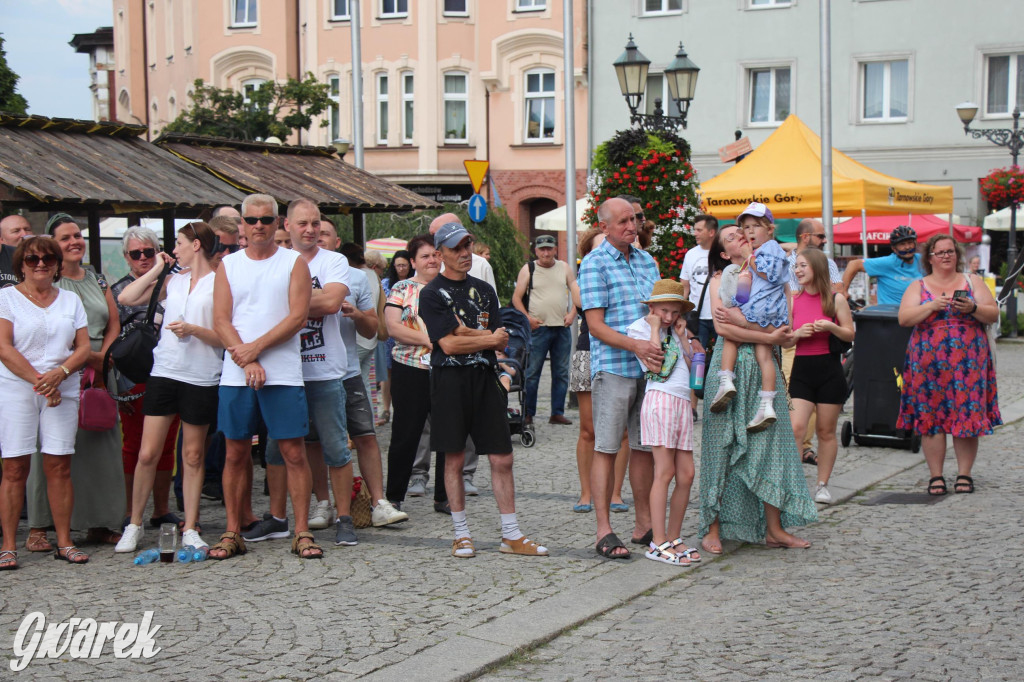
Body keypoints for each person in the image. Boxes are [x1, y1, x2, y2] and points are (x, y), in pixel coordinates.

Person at [419, 222, 548, 558]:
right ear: (441, 254)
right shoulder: (431, 293)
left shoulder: (484, 289)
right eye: (457, 248)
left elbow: (501, 336)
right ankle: (461, 533)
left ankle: (511, 533)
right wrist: (485, 339)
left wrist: (470, 334)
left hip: (486, 378)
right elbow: (447, 344)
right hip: (449, 381)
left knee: (503, 456)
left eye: (468, 245)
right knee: (455, 458)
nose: (465, 253)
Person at [211, 193, 317, 560]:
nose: (259, 226)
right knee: (235, 451)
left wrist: (254, 350)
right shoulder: (230, 266)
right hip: (237, 372)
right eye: (252, 220)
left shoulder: (293, 263)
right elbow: (221, 320)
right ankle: (232, 530)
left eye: (266, 220)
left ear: (278, 223)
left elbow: (297, 317)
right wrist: (246, 359)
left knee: (292, 451)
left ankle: (301, 531)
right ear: (242, 224)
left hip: (283, 373)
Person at [699, 224, 817, 554]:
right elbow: (723, 327)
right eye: (735, 236)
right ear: (725, 253)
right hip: (730, 368)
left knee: (773, 446)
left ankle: (774, 529)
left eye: (745, 232)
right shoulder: (720, 280)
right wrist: (768, 336)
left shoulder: (772, 277)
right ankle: (712, 526)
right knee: (719, 446)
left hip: (765, 370)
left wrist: (781, 335)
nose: (744, 237)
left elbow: (785, 325)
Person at [114, 222, 222, 552]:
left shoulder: (220, 284)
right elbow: (126, 297)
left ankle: (190, 526)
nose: (174, 249)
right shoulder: (172, 281)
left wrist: (193, 330)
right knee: (147, 452)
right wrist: (157, 269)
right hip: (165, 371)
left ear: (196, 245)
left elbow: (225, 337)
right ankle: (134, 524)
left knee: (192, 455)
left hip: (202, 375)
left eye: (179, 243)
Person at [27, 214, 125, 548]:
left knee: (100, 445)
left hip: (99, 369)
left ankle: (100, 521)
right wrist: (81, 359)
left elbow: (112, 322)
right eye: (65, 238)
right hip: (61, 369)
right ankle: (41, 526)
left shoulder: (96, 279)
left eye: (77, 236)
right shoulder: (47, 285)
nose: (74, 242)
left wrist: (105, 356)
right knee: (53, 450)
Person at [0, 237, 92, 568]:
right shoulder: (6, 299)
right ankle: (8, 545)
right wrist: (42, 383)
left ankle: (64, 541)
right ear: (20, 264)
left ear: (56, 264)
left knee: (59, 465)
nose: (40, 264)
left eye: (48, 258)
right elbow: (4, 348)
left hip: (62, 388)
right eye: (32, 259)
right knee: (14, 466)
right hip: (17, 388)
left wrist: (61, 373)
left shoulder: (70, 300)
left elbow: (83, 347)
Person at [579, 197, 661, 560]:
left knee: (643, 448)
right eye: (624, 221)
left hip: (649, 368)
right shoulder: (595, 264)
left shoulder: (646, 261)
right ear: (605, 227)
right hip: (614, 367)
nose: (632, 226)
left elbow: (657, 311)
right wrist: (637, 346)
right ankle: (604, 530)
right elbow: (595, 326)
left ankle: (644, 524)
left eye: (634, 219)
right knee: (607, 447)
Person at [315, 219, 409, 528]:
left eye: (324, 232)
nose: (318, 237)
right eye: (313, 231)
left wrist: (356, 315)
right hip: (310, 370)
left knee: (365, 434)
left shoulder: (356, 277)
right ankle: (323, 504)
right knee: (314, 440)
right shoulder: (296, 272)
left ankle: (379, 502)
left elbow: (373, 328)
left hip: (347, 368)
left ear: (336, 240)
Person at [897, 235, 1000, 495]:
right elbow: (904, 318)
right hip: (927, 364)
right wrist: (931, 305)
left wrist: (972, 307)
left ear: (958, 255)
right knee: (931, 418)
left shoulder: (971, 281)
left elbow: (992, 313)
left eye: (950, 251)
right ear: (929, 257)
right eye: (940, 252)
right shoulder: (918, 286)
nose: (946, 256)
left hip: (968, 361)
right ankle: (936, 476)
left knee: (967, 415)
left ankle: (964, 474)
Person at [626, 280, 702, 566]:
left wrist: (683, 338)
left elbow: (695, 363)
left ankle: (673, 537)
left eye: (675, 312)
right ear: (653, 308)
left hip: (682, 402)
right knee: (665, 471)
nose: (669, 317)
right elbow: (656, 364)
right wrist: (656, 328)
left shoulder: (677, 330)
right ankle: (657, 541)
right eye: (665, 311)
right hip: (660, 400)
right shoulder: (640, 328)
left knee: (687, 474)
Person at [110, 227, 180, 531]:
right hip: (135, 375)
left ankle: (161, 509)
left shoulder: (175, 282)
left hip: (169, 370)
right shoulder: (117, 290)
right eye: (136, 253)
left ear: (158, 252)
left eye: (148, 252)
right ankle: (130, 509)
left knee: (166, 445)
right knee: (135, 445)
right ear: (126, 257)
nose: (142, 258)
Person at [384, 234, 449, 513]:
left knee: (448, 434)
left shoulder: (451, 287)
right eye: (425, 256)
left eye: (436, 254)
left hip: (446, 368)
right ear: (413, 261)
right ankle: (394, 496)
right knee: (405, 433)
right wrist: (427, 340)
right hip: (409, 368)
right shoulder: (402, 288)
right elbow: (393, 327)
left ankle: (444, 496)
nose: (432, 260)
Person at [711, 203, 789, 433]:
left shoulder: (768, 250)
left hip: (762, 312)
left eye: (756, 226)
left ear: (770, 229)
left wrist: (749, 256)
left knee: (738, 342)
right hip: (761, 313)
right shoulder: (740, 265)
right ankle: (766, 404)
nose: (750, 232)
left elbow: (771, 274)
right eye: (746, 228)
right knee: (762, 353)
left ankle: (726, 380)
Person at [569, 228, 630, 515]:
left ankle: (616, 492)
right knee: (588, 431)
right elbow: (583, 304)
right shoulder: (584, 277)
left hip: (620, 353)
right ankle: (586, 492)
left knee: (623, 432)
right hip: (588, 353)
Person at [787, 249, 854, 504]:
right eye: (796, 267)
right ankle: (795, 485)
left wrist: (831, 327)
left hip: (829, 370)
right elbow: (784, 343)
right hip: (802, 369)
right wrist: (797, 334)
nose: (798, 271)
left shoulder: (836, 300)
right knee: (796, 428)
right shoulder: (793, 300)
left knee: (826, 432)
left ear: (817, 267)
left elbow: (850, 334)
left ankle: (822, 485)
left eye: (803, 266)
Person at [782, 218, 845, 464]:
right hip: (795, 339)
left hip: (825, 352)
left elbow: (838, 290)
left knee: (824, 425)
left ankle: (807, 450)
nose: (825, 240)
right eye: (820, 236)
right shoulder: (784, 263)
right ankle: (800, 447)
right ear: (806, 237)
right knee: (794, 405)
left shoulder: (826, 262)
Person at [512, 234, 576, 426]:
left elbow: (577, 290)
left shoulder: (564, 267)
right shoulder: (529, 269)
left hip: (561, 328)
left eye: (549, 248)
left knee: (562, 373)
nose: (546, 252)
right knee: (532, 373)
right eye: (542, 249)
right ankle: (529, 413)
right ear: (536, 250)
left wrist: (573, 313)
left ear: (555, 249)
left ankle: (557, 413)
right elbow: (516, 298)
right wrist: (527, 319)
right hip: (538, 328)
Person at [841, 225, 922, 305]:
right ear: (894, 248)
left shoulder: (923, 260)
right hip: (891, 314)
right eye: (902, 244)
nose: (907, 247)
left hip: (918, 313)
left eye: (910, 243)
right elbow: (854, 265)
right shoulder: (888, 262)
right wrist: (843, 291)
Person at [377, 250, 413, 426]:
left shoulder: (415, 283)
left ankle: (403, 406)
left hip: (410, 331)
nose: (401, 268)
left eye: (404, 265)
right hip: (391, 333)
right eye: (398, 265)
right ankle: (385, 408)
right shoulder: (386, 284)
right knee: (388, 372)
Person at [680, 214, 718, 351]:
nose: (695, 233)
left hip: (720, 315)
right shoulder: (691, 254)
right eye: (694, 229)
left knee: (723, 356)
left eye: (699, 230)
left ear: (711, 232)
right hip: (697, 316)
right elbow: (684, 286)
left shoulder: (723, 252)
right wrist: (679, 311)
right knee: (697, 356)